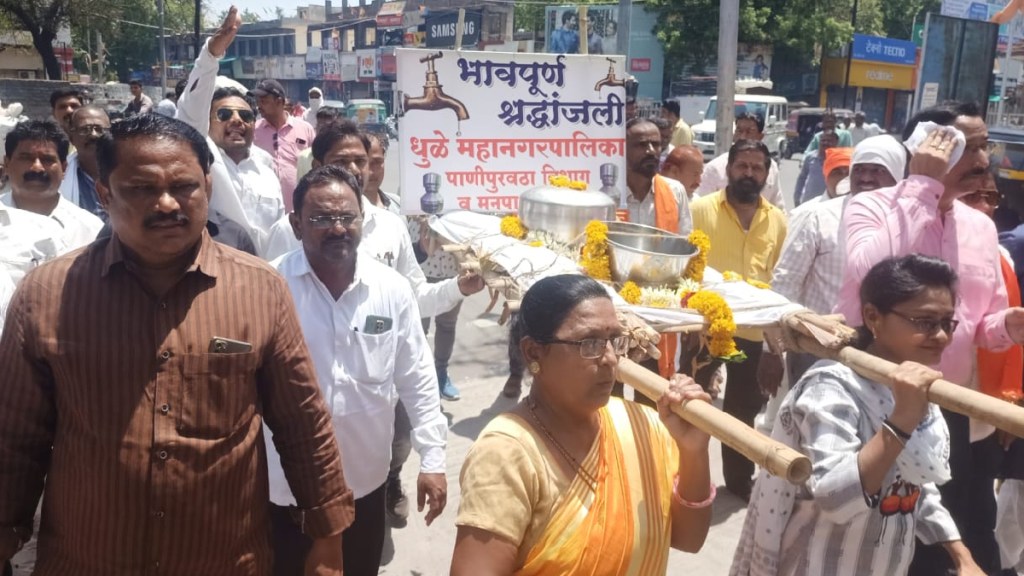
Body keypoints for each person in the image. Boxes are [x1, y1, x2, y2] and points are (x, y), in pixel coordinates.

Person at [0, 111, 354, 575]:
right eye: (141, 188)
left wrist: (327, 535)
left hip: (224, 560)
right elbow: (15, 437)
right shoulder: (47, 294)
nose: (167, 203)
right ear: (105, 194)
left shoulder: (260, 289)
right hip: (89, 558)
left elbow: (301, 421)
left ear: (207, 186)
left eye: (184, 186)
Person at [837, 101, 1024, 576]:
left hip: (955, 412)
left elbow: (980, 327)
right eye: (966, 147)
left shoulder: (981, 227)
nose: (982, 161)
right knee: (885, 543)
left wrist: (1008, 326)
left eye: (985, 147)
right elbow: (867, 279)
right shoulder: (870, 207)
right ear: (926, 147)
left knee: (968, 542)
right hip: (876, 404)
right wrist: (922, 187)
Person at [732, 255, 985, 576]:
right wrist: (901, 423)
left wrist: (962, 556)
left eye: (947, 323)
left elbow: (916, 484)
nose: (941, 336)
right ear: (872, 317)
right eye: (925, 322)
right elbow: (836, 497)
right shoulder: (831, 387)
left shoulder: (911, 386)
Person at [451, 274, 713, 575]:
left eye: (614, 340)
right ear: (534, 352)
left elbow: (689, 539)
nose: (610, 359)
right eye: (589, 343)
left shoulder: (641, 426)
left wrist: (693, 452)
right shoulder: (506, 454)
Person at [267, 165, 446, 576]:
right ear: (296, 224)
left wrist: (433, 458)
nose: (337, 228)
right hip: (285, 487)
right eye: (321, 218)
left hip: (363, 483)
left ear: (362, 220)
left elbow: (417, 377)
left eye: (347, 217)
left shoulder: (391, 289)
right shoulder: (269, 286)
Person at [760, 135, 906, 398]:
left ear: (897, 175)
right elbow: (784, 284)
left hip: (884, 356)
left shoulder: (908, 223)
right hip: (817, 350)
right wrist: (771, 350)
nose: (866, 178)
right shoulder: (818, 217)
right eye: (859, 169)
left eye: (877, 170)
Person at [688, 139, 787, 501]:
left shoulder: (777, 221)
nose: (749, 173)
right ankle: (684, 475)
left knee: (742, 411)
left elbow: (780, 284)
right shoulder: (700, 210)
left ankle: (738, 480)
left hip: (752, 336)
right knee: (691, 406)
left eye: (757, 167)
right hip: (702, 329)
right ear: (728, 169)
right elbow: (684, 268)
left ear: (766, 174)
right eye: (742, 166)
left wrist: (775, 349)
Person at [175, 9, 285, 257]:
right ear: (207, 121)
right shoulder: (203, 157)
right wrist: (211, 54)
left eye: (245, 116)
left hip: (265, 272)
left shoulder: (266, 169)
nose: (237, 121)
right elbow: (191, 109)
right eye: (224, 114)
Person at [624, 117, 693, 383]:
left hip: (658, 309)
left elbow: (685, 248)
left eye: (656, 144)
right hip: (616, 308)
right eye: (642, 145)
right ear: (622, 147)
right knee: (611, 390)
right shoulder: (608, 192)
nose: (651, 151)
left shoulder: (674, 191)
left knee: (654, 389)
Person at [2, 120, 102, 250]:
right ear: (7, 164)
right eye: (26, 158)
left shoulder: (90, 230)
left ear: (64, 168)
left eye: (47, 159)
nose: (37, 168)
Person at [696, 112, 785, 211]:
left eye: (749, 132)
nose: (742, 137)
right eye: (739, 130)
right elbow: (702, 207)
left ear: (760, 136)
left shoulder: (771, 167)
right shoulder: (715, 168)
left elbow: (778, 206)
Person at [252, 78, 316, 209]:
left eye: (264, 101)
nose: (259, 106)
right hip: (264, 206)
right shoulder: (253, 130)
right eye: (258, 101)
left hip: (299, 205)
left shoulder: (305, 129)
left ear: (279, 101)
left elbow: (316, 163)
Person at [59, 105, 111, 221]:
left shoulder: (128, 171)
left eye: (99, 129)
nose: (93, 135)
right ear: (71, 138)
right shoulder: (60, 177)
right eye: (85, 129)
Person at [791, 146, 851, 214]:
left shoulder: (859, 211)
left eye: (848, 173)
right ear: (826, 177)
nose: (843, 178)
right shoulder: (807, 213)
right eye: (837, 173)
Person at [297, 105, 344, 181]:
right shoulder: (304, 157)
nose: (322, 129)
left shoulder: (346, 156)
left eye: (327, 126)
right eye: (319, 125)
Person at [794, 130, 838, 206]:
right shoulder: (810, 157)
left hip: (828, 204)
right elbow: (802, 178)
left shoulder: (838, 161)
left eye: (829, 141)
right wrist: (797, 197)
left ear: (836, 143)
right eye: (823, 140)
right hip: (807, 202)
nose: (825, 143)